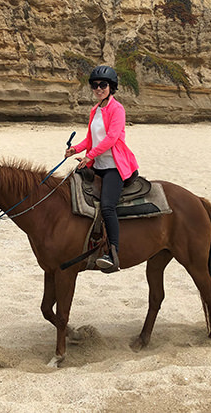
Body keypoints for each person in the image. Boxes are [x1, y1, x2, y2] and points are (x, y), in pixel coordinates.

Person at [65, 65, 139, 271]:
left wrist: (89, 155)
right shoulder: (94, 110)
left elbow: (111, 138)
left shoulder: (118, 109)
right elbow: (90, 138)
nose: (99, 89)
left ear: (111, 87)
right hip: (97, 163)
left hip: (114, 167)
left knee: (107, 206)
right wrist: (76, 149)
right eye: (95, 85)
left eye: (103, 85)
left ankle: (112, 251)